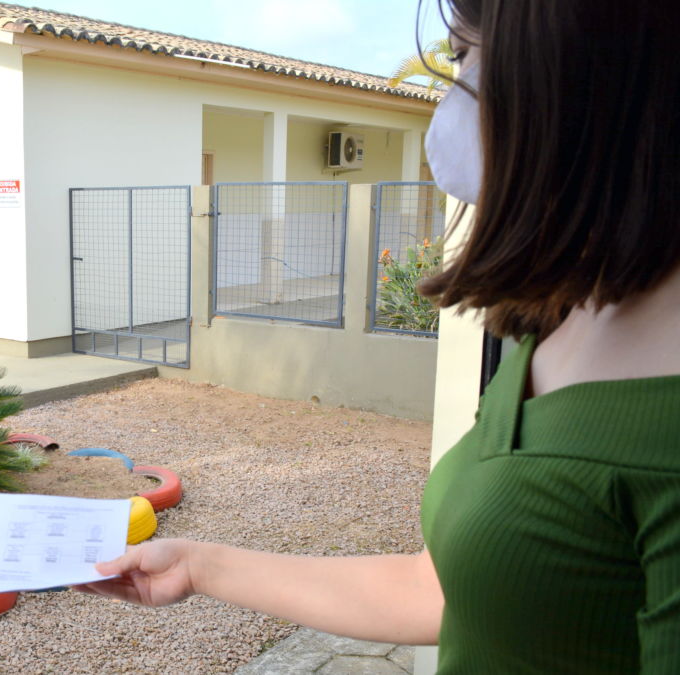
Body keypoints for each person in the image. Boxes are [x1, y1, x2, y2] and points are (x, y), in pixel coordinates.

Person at [75, 1, 680, 671]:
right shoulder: (561, 323)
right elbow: (444, 587)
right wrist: (197, 562)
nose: (448, 99)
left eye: (461, 58)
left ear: (567, 78)